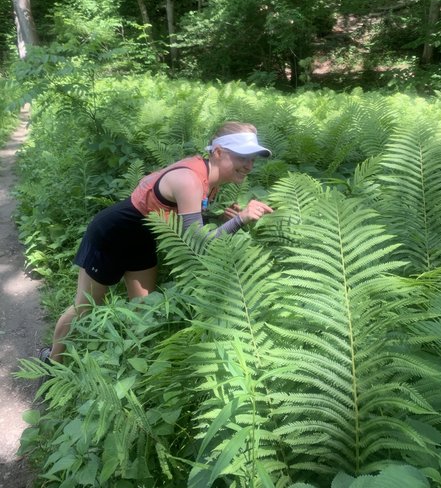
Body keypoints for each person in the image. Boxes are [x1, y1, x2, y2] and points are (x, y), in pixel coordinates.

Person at [39, 121, 273, 363]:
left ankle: (132, 368)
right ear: (218, 152)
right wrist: (240, 220)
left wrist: (219, 219)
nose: (249, 165)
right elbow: (198, 246)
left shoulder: (209, 179)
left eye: (253, 159)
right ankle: (53, 366)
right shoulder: (189, 180)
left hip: (143, 239)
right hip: (112, 235)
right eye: (242, 157)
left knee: (143, 310)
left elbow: (187, 223)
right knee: (85, 306)